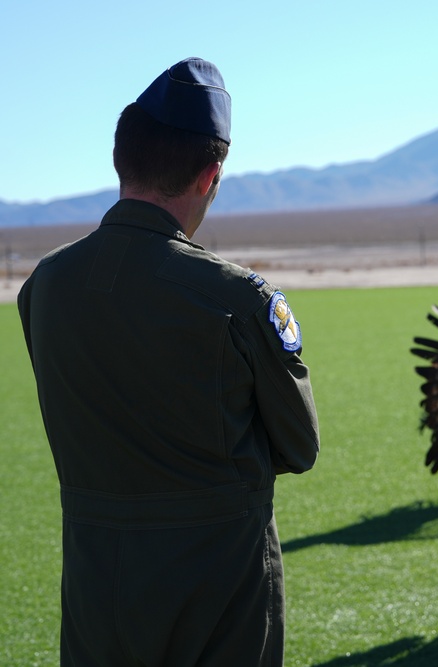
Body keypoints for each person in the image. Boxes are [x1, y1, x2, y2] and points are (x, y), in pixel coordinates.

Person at [17, 58, 320, 666]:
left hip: (96, 585)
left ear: (120, 160)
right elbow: (299, 446)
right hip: (220, 588)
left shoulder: (44, 285)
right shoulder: (237, 298)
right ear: (211, 174)